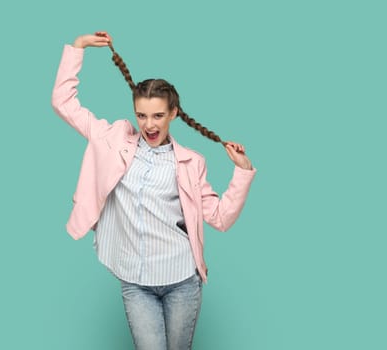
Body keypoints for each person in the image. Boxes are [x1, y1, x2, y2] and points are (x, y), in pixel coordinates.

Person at [51, 31, 256, 350]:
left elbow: (220, 217)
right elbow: (64, 103)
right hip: (136, 283)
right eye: (142, 115)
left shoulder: (190, 162)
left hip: (181, 281)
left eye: (158, 115)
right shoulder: (112, 140)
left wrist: (242, 170)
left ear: (173, 114)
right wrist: (77, 48)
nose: (149, 124)